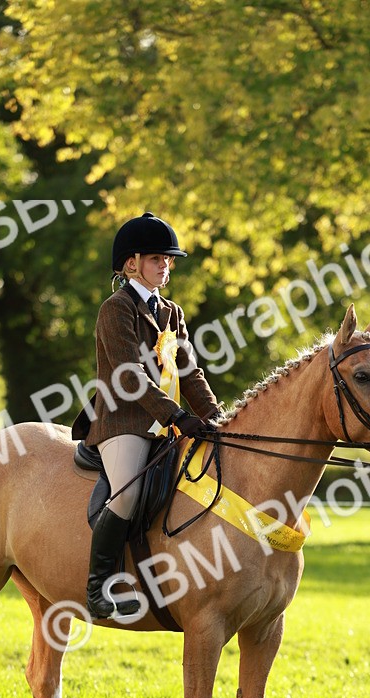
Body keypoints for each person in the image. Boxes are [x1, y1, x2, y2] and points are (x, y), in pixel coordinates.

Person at [82, 211, 223, 619]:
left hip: (166, 421)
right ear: (132, 263)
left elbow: (189, 372)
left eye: (168, 260)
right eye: (157, 259)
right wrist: (177, 415)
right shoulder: (116, 309)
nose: (166, 265)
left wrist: (217, 417)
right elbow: (131, 377)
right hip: (123, 422)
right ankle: (98, 586)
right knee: (126, 492)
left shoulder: (172, 313)